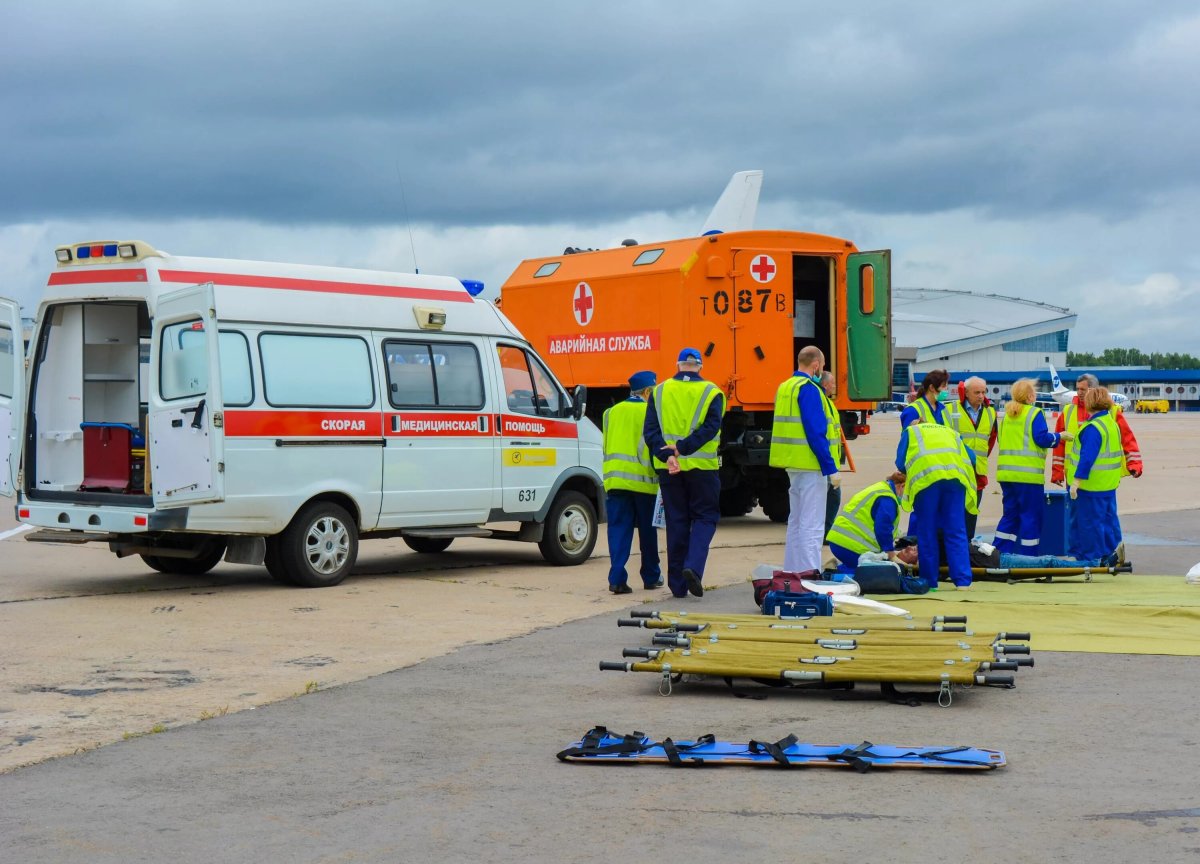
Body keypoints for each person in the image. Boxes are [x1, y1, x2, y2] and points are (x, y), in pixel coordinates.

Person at [642, 347, 725, 598]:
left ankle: (677, 585)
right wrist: (683, 449)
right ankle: (693, 567)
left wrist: (668, 455)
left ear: (678, 365)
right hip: (703, 469)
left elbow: (651, 432)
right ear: (700, 366)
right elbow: (711, 429)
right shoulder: (712, 392)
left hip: (669, 469)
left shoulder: (659, 391)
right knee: (705, 518)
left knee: (677, 521)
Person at [769, 346, 841, 573]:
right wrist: (830, 468)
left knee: (797, 523)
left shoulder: (786, 387)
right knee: (812, 525)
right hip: (811, 466)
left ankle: (793, 572)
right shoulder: (809, 389)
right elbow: (815, 431)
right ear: (816, 365)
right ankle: (810, 576)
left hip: (792, 463)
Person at [896, 421, 977, 589]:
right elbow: (973, 458)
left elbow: (900, 463)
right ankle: (963, 581)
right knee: (956, 531)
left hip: (927, 482)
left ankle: (930, 581)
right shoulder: (950, 432)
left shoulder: (911, 431)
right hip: (955, 481)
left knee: (927, 532)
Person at [601, 370, 662, 595]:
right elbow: (653, 446)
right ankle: (651, 576)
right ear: (647, 391)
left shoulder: (610, 413)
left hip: (615, 480)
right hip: (643, 482)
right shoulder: (650, 411)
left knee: (618, 529)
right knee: (647, 531)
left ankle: (617, 579)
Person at [993, 379, 1070, 555]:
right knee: (1031, 517)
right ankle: (1028, 557)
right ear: (1029, 396)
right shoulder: (1035, 413)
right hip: (1028, 477)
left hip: (1006, 475)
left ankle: (999, 554)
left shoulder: (1006, 417)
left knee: (1010, 516)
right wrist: (1060, 437)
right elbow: (1041, 438)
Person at [1051, 372, 1143, 486]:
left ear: (1094, 390)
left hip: (1103, 478)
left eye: (1083, 389)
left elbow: (1127, 438)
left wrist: (1135, 464)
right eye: (1077, 389)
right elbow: (1059, 443)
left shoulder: (1113, 411)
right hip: (1075, 476)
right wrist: (1057, 472)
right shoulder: (1068, 411)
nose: (1079, 393)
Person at [1068, 386, 1125, 564]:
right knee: (1109, 523)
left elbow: (1087, 458)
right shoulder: (1111, 424)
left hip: (1090, 487)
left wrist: (1076, 482)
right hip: (1108, 485)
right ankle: (1113, 555)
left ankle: (1089, 561)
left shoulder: (1093, 428)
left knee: (1088, 526)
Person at [944, 376, 997, 540]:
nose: (981, 396)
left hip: (977, 473)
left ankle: (967, 550)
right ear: (966, 393)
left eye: (983, 392)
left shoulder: (990, 412)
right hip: (955, 472)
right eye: (977, 392)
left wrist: (977, 460)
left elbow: (991, 440)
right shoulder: (949, 410)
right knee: (953, 515)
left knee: (971, 515)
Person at [893, 537, 1123, 574]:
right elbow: (943, 536)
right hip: (998, 561)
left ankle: (1098, 562)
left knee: (1048, 560)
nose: (911, 548)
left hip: (995, 554)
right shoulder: (933, 558)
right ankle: (1099, 564)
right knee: (1049, 562)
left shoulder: (930, 551)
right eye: (907, 552)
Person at [826, 471, 906, 573]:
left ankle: (841, 567)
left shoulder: (881, 488)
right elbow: (883, 528)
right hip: (849, 546)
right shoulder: (888, 499)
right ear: (902, 486)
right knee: (874, 574)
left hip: (839, 540)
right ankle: (837, 572)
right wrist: (891, 554)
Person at [820, 370, 842, 540]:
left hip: (830, 461)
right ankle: (825, 532)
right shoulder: (823, 402)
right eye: (833, 383)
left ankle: (825, 530)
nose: (834, 386)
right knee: (832, 496)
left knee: (832, 495)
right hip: (826, 461)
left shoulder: (828, 402)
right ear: (826, 384)